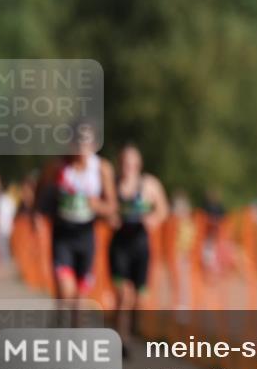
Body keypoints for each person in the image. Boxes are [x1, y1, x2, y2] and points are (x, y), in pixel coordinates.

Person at [109, 143, 169, 356]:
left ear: (138, 164)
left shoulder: (149, 185)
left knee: (138, 298)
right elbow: (101, 205)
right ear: (120, 164)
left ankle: (131, 330)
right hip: (119, 245)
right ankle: (121, 338)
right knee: (123, 293)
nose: (128, 167)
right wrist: (110, 216)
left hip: (141, 245)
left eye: (132, 163)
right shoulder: (112, 184)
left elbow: (163, 209)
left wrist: (153, 219)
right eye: (125, 163)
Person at [47, 122, 117, 305]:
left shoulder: (102, 168)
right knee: (65, 291)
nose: (81, 145)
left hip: (86, 235)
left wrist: (96, 205)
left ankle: (73, 332)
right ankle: (61, 328)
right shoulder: (59, 167)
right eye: (77, 140)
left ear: (94, 143)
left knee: (79, 298)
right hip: (63, 234)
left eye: (86, 140)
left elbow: (111, 206)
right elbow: (42, 195)